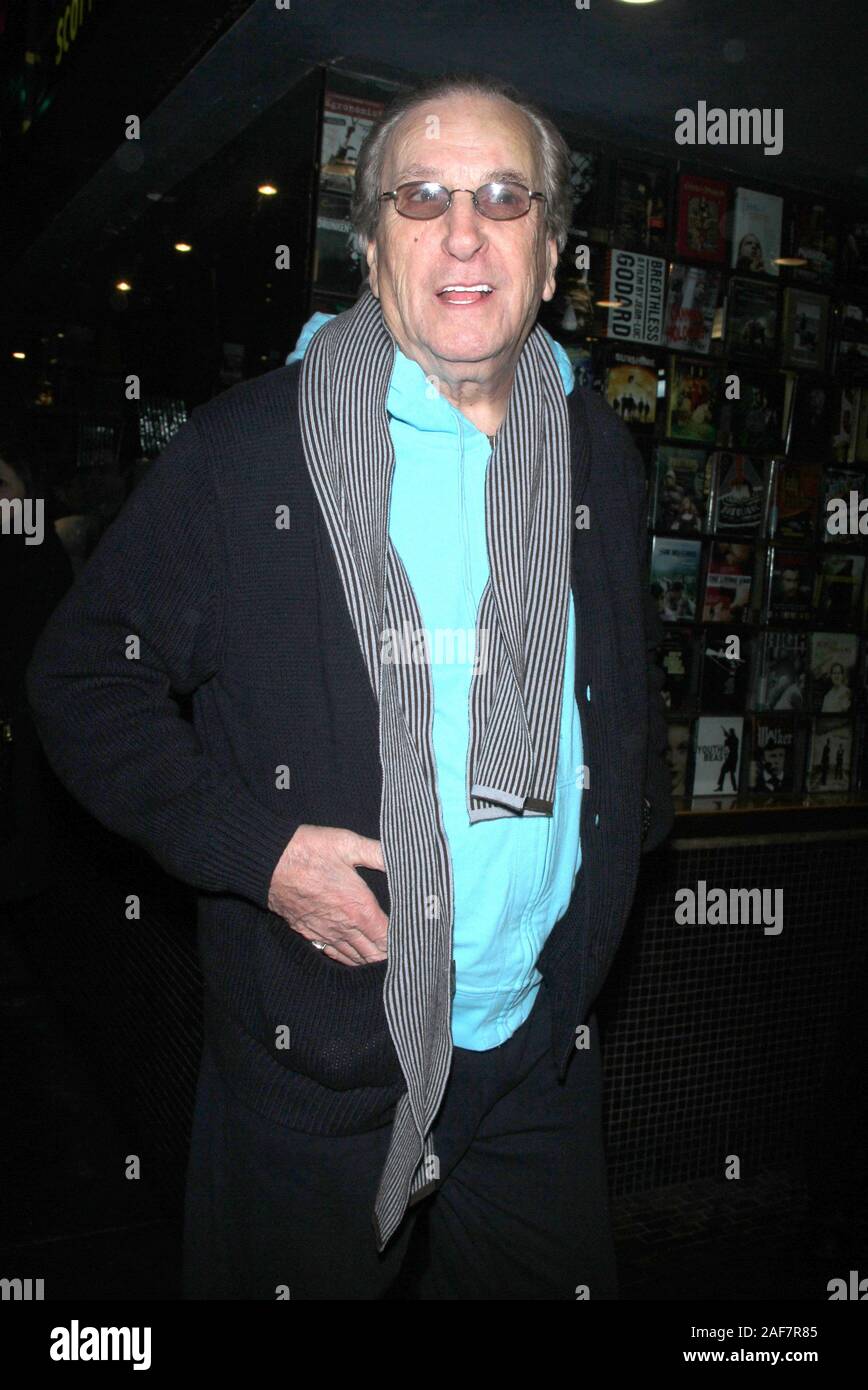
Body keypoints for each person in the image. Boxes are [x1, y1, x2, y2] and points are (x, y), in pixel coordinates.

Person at [26, 72, 673, 1301]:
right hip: (325, 1059)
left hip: (533, 1048)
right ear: (370, 249)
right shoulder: (246, 452)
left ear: (551, 256)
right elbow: (78, 680)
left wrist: (621, 851)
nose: (465, 231)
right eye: (421, 197)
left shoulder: (597, 447)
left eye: (503, 196)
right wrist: (257, 848)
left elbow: (622, 680)